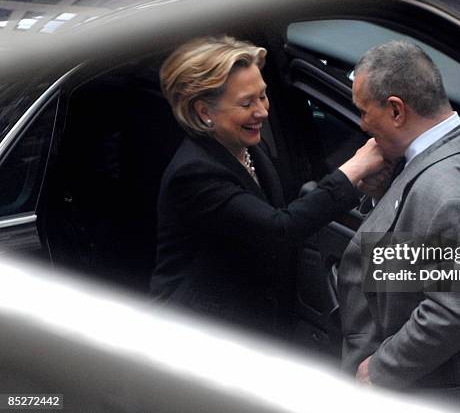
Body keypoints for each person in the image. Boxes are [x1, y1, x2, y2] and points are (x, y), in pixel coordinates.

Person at [150, 36, 384, 337]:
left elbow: (293, 207)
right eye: (247, 103)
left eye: (263, 96)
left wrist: (359, 185)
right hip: (200, 335)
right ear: (204, 112)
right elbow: (279, 229)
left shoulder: (246, 148)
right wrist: (354, 168)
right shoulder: (195, 173)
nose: (263, 111)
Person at [338, 41, 460, 412]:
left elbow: (454, 310)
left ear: (396, 110)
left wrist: (380, 369)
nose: (362, 126)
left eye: (363, 112)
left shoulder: (445, 192)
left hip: (445, 394)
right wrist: (384, 194)